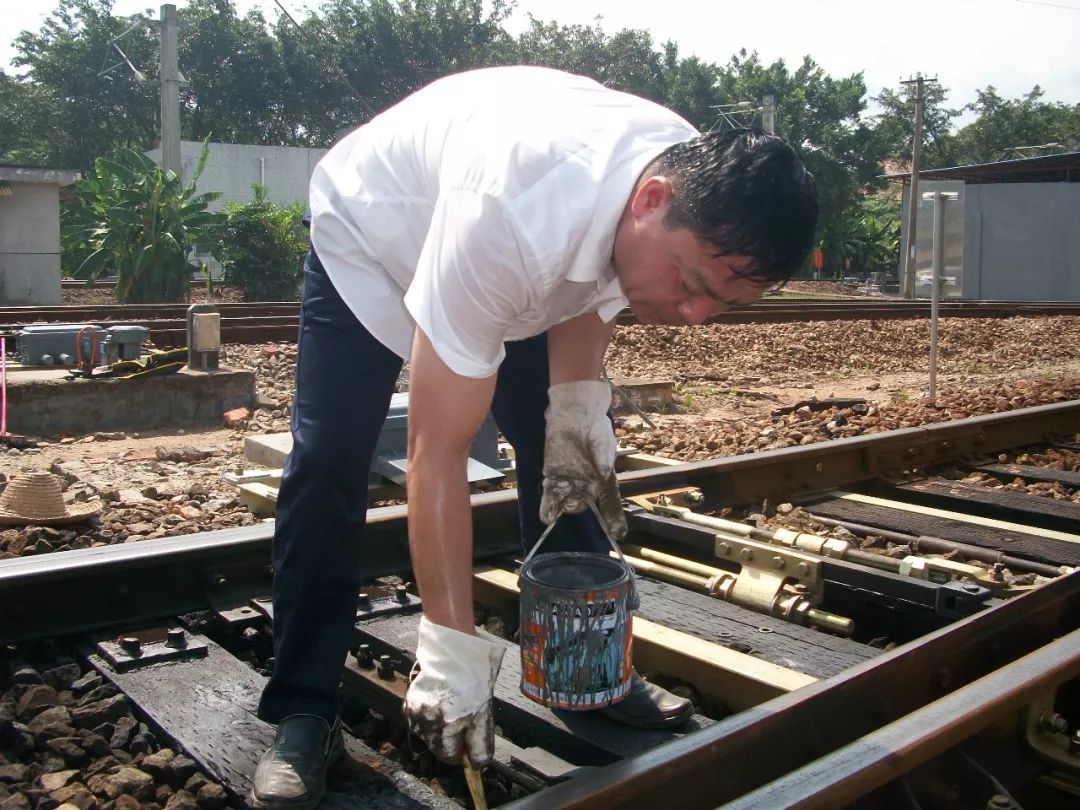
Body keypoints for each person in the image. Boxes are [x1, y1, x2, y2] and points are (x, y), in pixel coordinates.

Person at [250, 65, 818, 809]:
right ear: (652, 203)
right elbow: (437, 451)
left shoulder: (682, 179)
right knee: (330, 456)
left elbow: (590, 290)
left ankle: (583, 673)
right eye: (691, 285)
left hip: (516, 252)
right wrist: (449, 651)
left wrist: (580, 414)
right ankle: (302, 708)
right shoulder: (512, 218)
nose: (694, 316)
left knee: (570, 445)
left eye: (722, 301)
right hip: (376, 235)